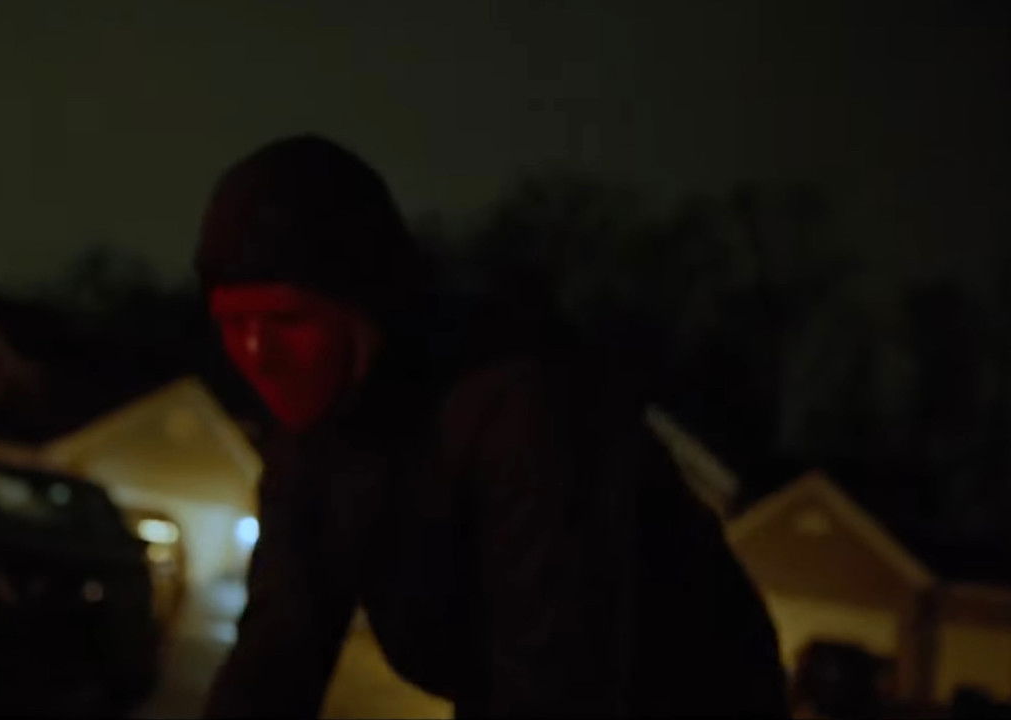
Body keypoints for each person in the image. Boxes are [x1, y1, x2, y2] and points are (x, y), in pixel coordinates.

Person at [196, 134, 789, 718]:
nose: (257, 352)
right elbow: (274, 657)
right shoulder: (312, 438)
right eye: (233, 322)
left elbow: (554, 679)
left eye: (287, 319)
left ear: (365, 307)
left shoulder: (523, 409)